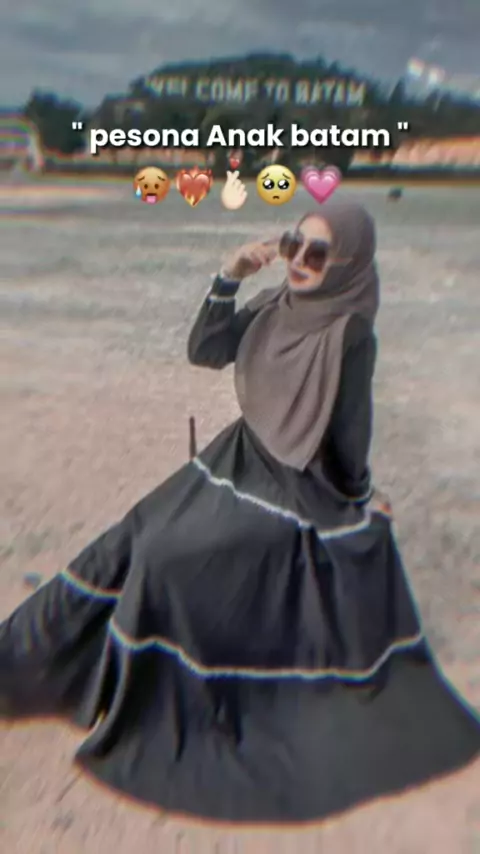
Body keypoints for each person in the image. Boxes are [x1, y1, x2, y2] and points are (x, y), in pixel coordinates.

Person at [1, 201, 479, 824]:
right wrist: (229, 276)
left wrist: (359, 502)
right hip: (236, 456)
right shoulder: (274, 302)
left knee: (172, 557)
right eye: (293, 244)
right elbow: (205, 350)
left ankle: (145, 696)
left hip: (298, 487)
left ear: (348, 264)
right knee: (130, 538)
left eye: (317, 253)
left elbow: (348, 437)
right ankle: (22, 662)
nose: (299, 261)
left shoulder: (350, 333)